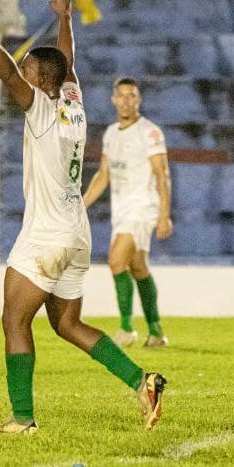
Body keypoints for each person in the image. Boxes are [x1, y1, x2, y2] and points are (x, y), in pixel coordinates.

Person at [0, 0, 166, 434]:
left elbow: (7, 76)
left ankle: (22, 420)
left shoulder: (39, 108)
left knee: (13, 320)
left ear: (39, 80)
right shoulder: (73, 101)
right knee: (67, 323)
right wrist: (63, 18)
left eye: (29, 65)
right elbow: (67, 61)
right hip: (77, 233)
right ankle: (141, 381)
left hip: (47, 235)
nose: (23, 67)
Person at [81, 77, 173, 349]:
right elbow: (104, 174)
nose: (125, 101)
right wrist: (81, 205)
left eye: (131, 96)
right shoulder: (111, 134)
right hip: (121, 210)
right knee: (137, 266)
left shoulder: (150, 132)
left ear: (139, 100)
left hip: (143, 207)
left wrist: (164, 214)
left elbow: (161, 174)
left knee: (116, 261)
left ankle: (126, 329)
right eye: (121, 95)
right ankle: (156, 332)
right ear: (113, 99)